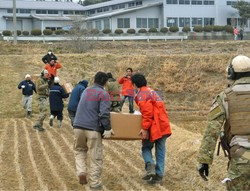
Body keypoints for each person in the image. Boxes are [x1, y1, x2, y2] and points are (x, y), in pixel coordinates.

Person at [197, 55, 250, 190]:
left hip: (241, 159)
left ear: (231, 73)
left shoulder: (225, 97)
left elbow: (211, 131)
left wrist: (204, 160)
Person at [73, 72, 114, 189]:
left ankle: (81, 172)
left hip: (78, 126)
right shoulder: (103, 93)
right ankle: (95, 183)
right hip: (93, 128)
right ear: (106, 82)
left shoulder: (86, 91)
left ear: (94, 79)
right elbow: (104, 113)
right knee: (95, 156)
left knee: (80, 150)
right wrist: (107, 128)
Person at [131, 73, 172, 185]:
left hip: (154, 126)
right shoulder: (153, 92)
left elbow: (147, 113)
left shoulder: (142, 94)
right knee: (160, 150)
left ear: (134, 85)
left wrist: (144, 128)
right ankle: (158, 176)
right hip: (163, 125)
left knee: (146, 148)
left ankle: (150, 166)